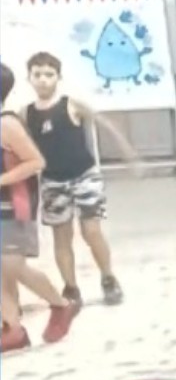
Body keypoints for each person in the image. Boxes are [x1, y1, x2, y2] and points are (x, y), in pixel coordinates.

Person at [23, 51, 133, 307]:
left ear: (58, 77)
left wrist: (126, 149)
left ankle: (108, 277)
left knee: (91, 231)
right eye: (37, 75)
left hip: (84, 175)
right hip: (52, 181)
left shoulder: (71, 105)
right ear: (29, 78)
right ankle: (71, 287)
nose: (43, 80)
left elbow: (104, 123)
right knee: (62, 237)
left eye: (49, 74)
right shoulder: (25, 114)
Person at [1, 62, 79, 351]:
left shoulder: (6, 124)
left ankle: (60, 304)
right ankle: (12, 328)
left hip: (14, 206)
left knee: (13, 266)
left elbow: (36, 162)